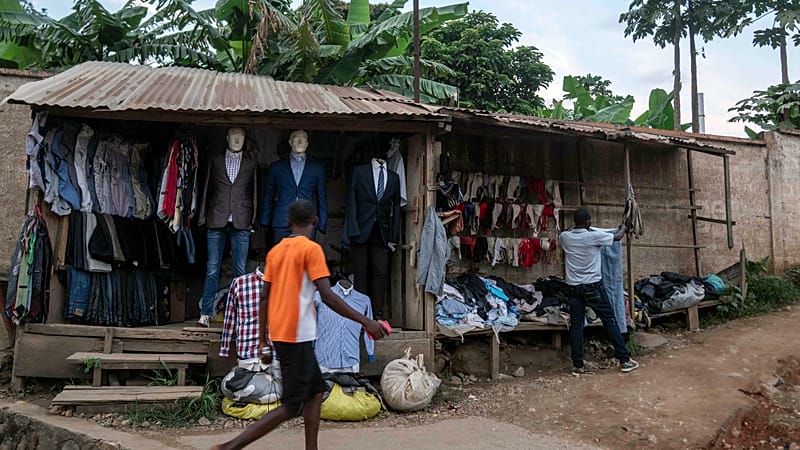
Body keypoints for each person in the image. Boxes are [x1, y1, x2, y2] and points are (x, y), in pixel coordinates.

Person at [212, 199, 388, 450]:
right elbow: (327, 296)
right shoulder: (311, 250)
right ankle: (229, 447)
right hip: (297, 336)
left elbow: (264, 297)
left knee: (315, 393)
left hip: (283, 335)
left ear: (288, 223)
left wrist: (263, 339)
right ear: (314, 221)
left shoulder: (275, 252)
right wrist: (366, 321)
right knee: (291, 406)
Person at [557, 208, 639, 375]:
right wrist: (623, 226)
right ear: (587, 221)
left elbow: (567, 230)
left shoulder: (565, 237)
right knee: (610, 321)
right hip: (592, 286)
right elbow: (617, 237)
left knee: (577, 326)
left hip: (573, 288)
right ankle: (624, 360)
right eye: (590, 221)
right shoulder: (592, 236)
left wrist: (579, 225)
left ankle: (578, 366)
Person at [197, 127, 258, 327]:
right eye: (233, 136)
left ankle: (239, 314)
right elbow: (206, 189)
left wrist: (252, 221)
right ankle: (206, 312)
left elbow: (255, 193)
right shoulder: (215, 161)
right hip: (217, 218)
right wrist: (202, 217)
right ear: (227, 138)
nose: (237, 140)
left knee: (240, 271)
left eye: (240, 136)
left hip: (241, 220)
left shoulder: (251, 165)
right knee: (212, 268)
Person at [261, 129, 328, 244]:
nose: (300, 142)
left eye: (303, 139)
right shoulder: (277, 167)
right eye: (296, 139)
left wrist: (323, 222)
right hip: (282, 220)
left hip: (307, 221)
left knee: (304, 260)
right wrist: (265, 220)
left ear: (307, 144)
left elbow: (322, 197)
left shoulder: (316, 169)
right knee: (281, 259)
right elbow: (269, 195)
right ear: (290, 142)